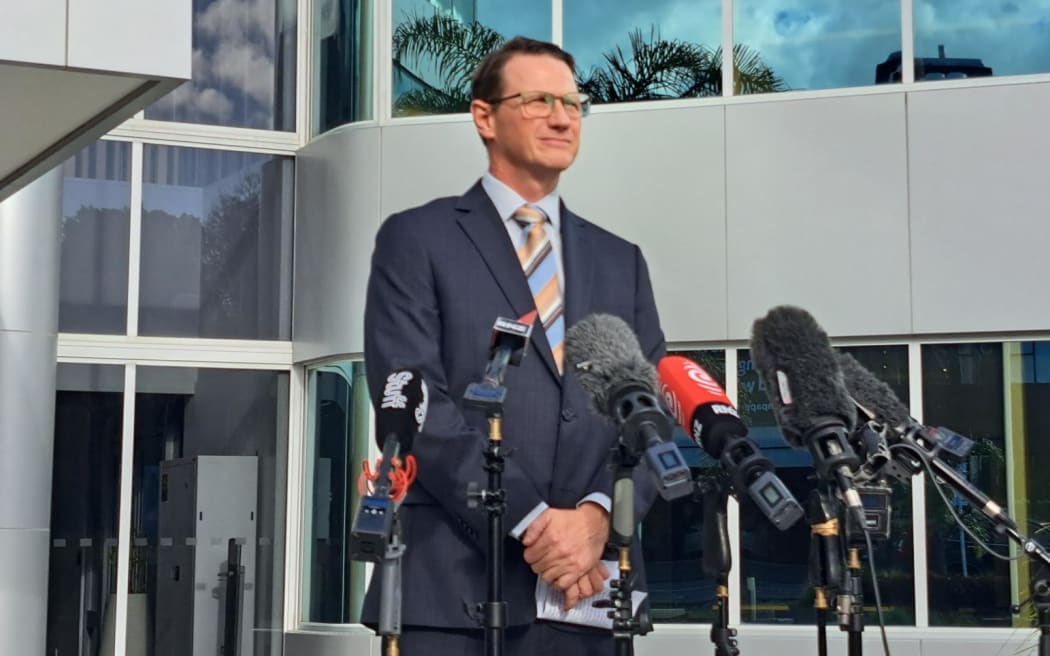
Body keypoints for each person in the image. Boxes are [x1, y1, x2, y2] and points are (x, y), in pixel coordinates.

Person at [362, 35, 665, 655]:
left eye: (573, 105)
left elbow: (653, 417)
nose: (561, 117)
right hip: (455, 595)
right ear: (484, 117)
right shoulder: (416, 238)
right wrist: (535, 522)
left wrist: (598, 518)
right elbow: (416, 398)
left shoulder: (621, 261)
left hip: (591, 594)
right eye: (538, 100)